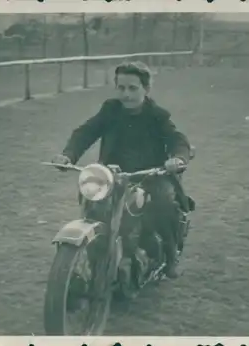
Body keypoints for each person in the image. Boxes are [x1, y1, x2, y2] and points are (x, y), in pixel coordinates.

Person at [52, 61, 192, 279]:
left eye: (133, 88)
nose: (126, 94)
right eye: (121, 88)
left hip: (150, 175)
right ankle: (95, 257)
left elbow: (177, 140)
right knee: (93, 203)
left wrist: (177, 158)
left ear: (146, 89)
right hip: (112, 176)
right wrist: (68, 155)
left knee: (164, 203)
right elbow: (86, 132)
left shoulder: (157, 115)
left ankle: (170, 254)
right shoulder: (111, 109)